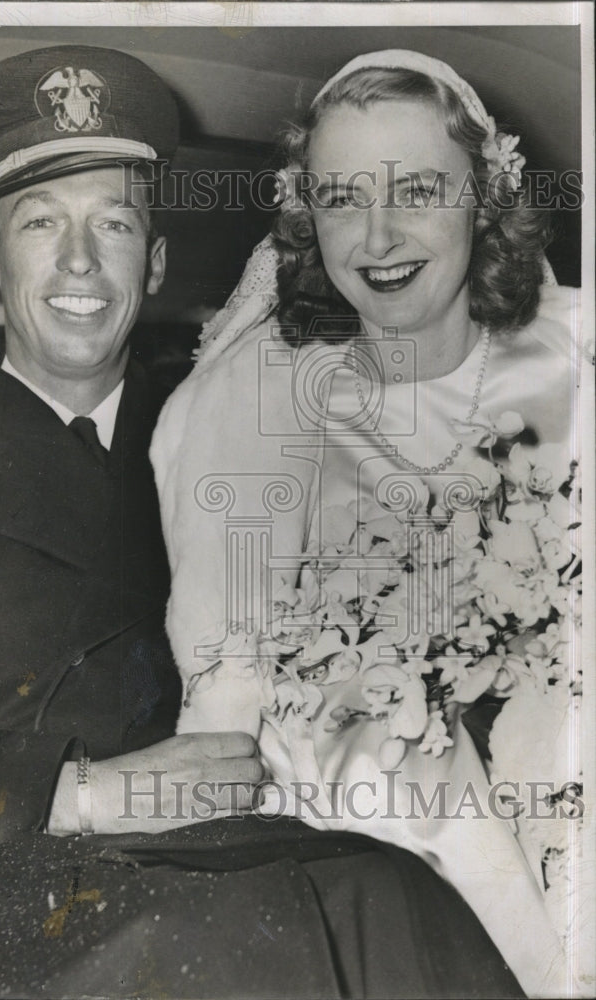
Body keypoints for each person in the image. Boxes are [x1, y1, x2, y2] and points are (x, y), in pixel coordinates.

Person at [0, 45, 525, 999]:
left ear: (158, 257)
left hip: (234, 844)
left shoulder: (226, 425)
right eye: (40, 223)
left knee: (395, 900)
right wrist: (81, 793)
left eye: (116, 224)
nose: (81, 262)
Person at [152, 50, 584, 998]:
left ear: (484, 196)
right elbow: (225, 694)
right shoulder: (254, 404)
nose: (377, 236)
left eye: (419, 189)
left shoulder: (574, 366)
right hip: (365, 807)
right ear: (308, 217)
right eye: (343, 198)